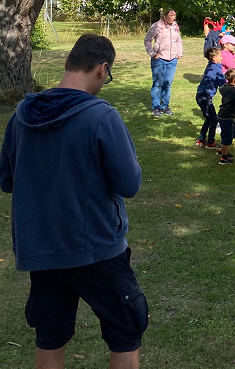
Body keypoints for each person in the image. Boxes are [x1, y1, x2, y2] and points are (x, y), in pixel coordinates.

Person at [0, 34, 147, 368]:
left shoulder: (22, 114)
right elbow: (129, 183)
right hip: (95, 247)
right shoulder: (101, 116)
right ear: (102, 69)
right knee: (126, 332)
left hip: (40, 248)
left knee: (50, 339)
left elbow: (6, 179)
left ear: (67, 62)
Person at [144, 8, 183, 116]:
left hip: (172, 60)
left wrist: (179, 53)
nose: (173, 17)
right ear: (164, 16)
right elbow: (147, 40)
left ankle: (165, 106)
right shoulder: (156, 26)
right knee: (157, 84)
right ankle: (156, 108)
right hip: (159, 59)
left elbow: (178, 40)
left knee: (168, 84)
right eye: (171, 15)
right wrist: (152, 53)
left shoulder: (175, 26)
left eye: (174, 15)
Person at [196, 47, 226, 149]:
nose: (222, 58)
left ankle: (201, 139)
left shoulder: (211, 66)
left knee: (209, 118)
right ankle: (211, 142)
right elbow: (222, 82)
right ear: (214, 57)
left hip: (200, 96)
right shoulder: (216, 68)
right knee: (214, 120)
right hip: (205, 97)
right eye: (220, 56)